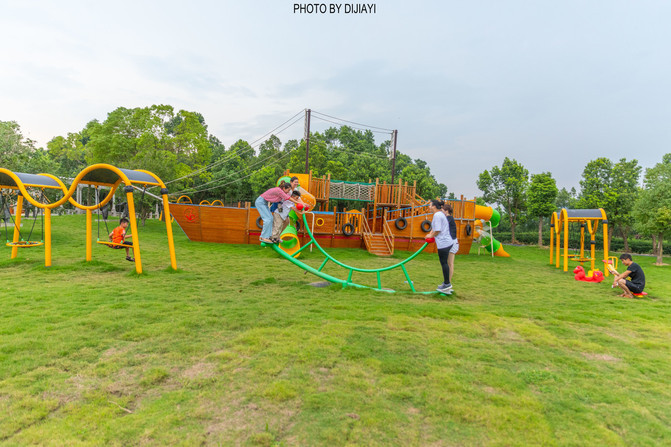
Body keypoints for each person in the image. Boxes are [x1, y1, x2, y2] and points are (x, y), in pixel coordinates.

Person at [426, 199, 454, 294]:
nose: (429, 207)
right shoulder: (440, 214)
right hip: (446, 242)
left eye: (430, 205)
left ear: (434, 206)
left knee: (444, 263)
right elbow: (435, 228)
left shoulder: (437, 215)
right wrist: (431, 233)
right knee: (445, 263)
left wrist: (430, 235)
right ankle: (446, 283)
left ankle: (447, 284)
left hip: (444, 243)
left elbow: (437, 230)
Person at [443, 203, 459, 284]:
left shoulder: (449, 218)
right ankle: (447, 282)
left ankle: (448, 282)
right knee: (448, 263)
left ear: (447, 211)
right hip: (450, 242)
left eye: (443, 210)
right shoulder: (447, 218)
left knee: (450, 263)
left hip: (453, 242)